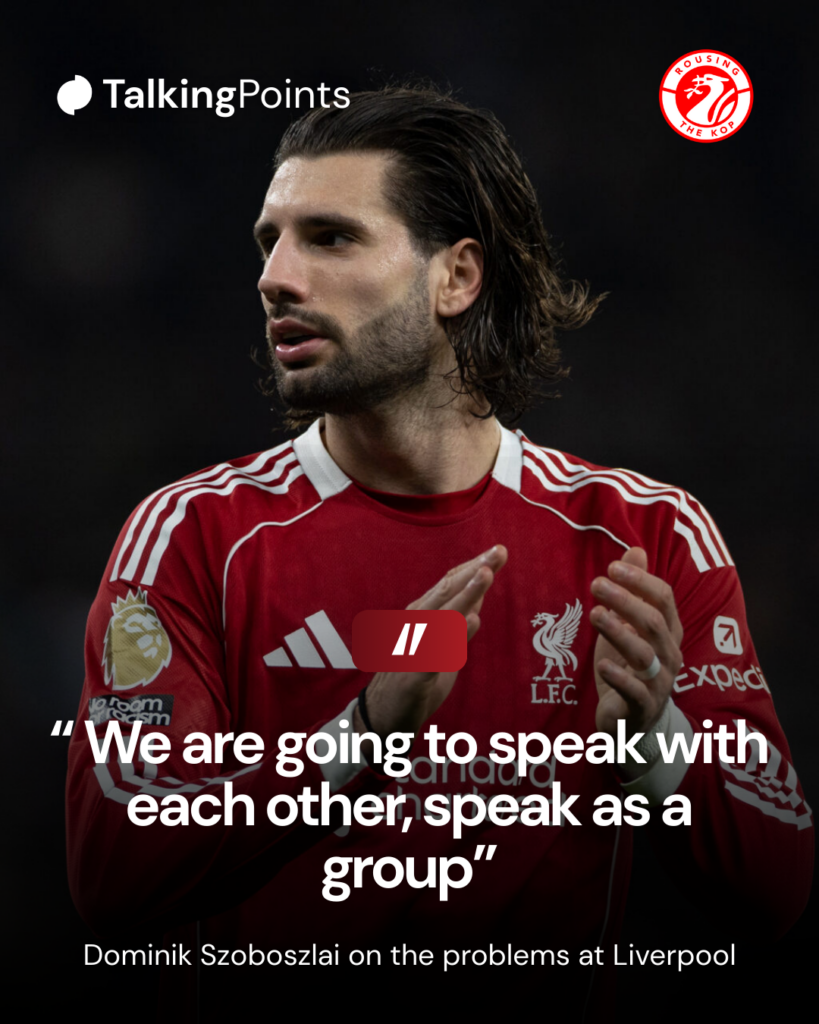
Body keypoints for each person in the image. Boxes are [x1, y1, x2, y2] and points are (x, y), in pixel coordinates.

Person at [67, 86, 813, 1018]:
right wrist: (362, 733)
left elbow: (777, 888)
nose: (274, 277)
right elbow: (113, 870)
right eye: (270, 241)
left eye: (329, 238)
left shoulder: (643, 537)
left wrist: (655, 743)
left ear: (456, 277)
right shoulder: (192, 536)